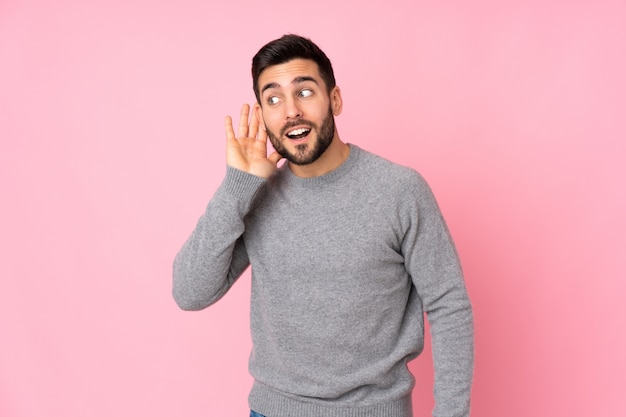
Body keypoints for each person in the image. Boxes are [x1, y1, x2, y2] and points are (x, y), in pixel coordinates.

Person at [173, 34, 474, 417]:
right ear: (263, 115)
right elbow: (190, 292)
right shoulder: (254, 196)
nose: (290, 111)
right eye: (274, 99)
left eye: (305, 91)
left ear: (335, 100)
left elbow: (449, 304)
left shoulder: (399, 190)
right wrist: (237, 187)